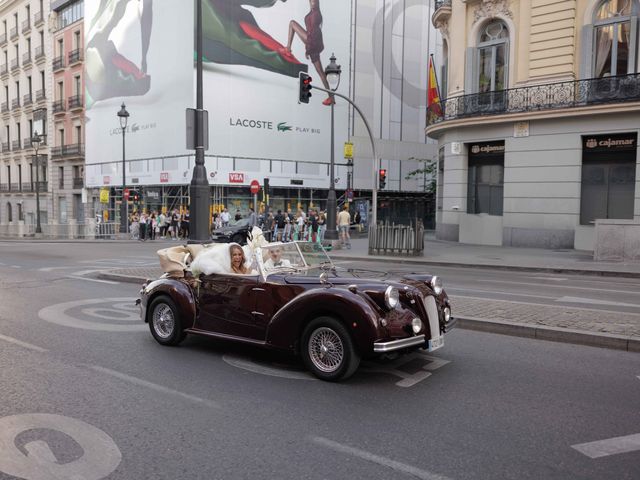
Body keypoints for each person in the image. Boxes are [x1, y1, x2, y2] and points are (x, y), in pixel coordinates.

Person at [283, 0, 334, 105]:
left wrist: (308, 49)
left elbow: (315, 34)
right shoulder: (313, 12)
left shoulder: (315, 14)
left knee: (292, 23)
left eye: (314, 1)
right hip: (311, 41)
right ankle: (331, 97)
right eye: (311, 0)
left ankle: (288, 48)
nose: (312, 2)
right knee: (320, 72)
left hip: (312, 42)